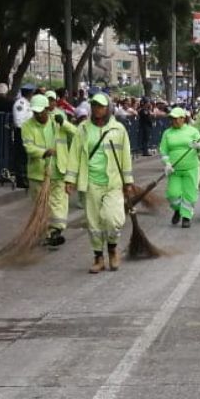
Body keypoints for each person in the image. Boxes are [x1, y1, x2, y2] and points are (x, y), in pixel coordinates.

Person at [65, 93, 134, 273]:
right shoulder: (83, 129)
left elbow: (126, 157)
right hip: (91, 182)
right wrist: (70, 180)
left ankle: (112, 249)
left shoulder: (119, 129)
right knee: (94, 224)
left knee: (112, 219)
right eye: (94, 105)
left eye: (101, 106)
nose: (97, 109)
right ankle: (98, 258)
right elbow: (74, 155)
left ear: (108, 108)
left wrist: (128, 182)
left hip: (113, 183)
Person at [21, 94, 76, 247]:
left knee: (59, 203)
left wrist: (64, 123)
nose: (38, 115)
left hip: (59, 170)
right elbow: (29, 147)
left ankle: (56, 230)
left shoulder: (58, 122)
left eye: (41, 111)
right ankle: (44, 232)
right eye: (35, 112)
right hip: (38, 173)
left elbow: (78, 135)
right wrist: (44, 152)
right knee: (42, 205)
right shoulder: (27, 126)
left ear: (47, 109)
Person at [158, 107, 200, 228]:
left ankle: (186, 217)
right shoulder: (167, 133)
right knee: (172, 194)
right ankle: (178, 209)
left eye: (176, 118)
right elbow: (163, 151)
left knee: (189, 194)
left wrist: (198, 146)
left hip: (191, 168)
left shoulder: (192, 131)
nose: (173, 121)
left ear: (183, 118)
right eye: (172, 118)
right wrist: (167, 164)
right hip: (174, 170)